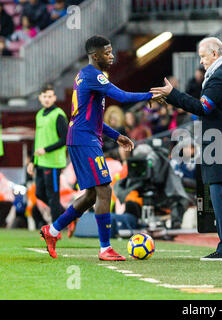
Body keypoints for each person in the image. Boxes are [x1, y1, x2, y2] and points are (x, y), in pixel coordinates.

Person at [40, 35, 161, 261]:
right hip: (84, 140)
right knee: (105, 190)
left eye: (112, 51)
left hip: (83, 137)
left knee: (91, 195)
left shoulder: (87, 76)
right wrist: (151, 95)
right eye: (107, 53)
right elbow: (122, 96)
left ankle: (53, 231)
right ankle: (105, 248)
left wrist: (117, 136)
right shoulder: (93, 75)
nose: (112, 55)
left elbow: (93, 118)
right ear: (95, 56)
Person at [150, 37, 222, 261]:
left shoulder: (221, 76)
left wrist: (173, 95)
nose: (201, 61)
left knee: (219, 195)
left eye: (203, 56)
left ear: (215, 54)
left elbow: (203, 108)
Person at [26, 84, 68, 226]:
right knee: (39, 194)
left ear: (54, 97)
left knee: (53, 196)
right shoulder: (39, 114)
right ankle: (67, 215)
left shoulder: (58, 114)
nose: (47, 99)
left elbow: (65, 139)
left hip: (54, 163)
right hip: (41, 162)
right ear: (40, 98)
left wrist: (47, 149)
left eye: (50, 96)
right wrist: (32, 161)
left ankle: (56, 230)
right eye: (44, 96)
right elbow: (38, 140)